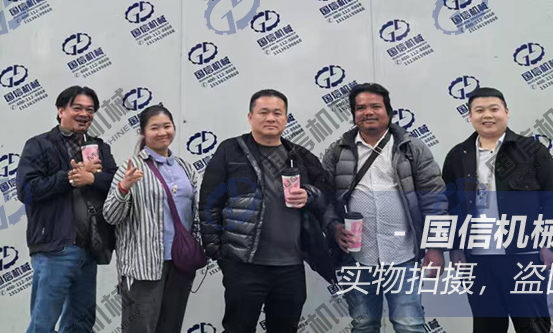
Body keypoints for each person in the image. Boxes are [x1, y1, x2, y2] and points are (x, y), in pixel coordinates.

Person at [198, 89, 333, 333]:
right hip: (244, 266)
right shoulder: (231, 151)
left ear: (286, 119)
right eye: (264, 112)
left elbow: (326, 195)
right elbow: (209, 202)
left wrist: (310, 195)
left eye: (277, 113)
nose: (271, 118)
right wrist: (218, 252)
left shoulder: (299, 156)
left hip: (290, 266)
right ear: (250, 117)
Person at [321, 82, 448, 333]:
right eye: (361, 108)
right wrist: (333, 226)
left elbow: (435, 199)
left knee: (409, 324)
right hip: (356, 258)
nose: (368, 112)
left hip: (403, 255)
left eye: (375, 106)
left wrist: (436, 248)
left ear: (388, 111)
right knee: (364, 324)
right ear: (354, 114)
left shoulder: (412, 148)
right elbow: (325, 199)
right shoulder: (337, 152)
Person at [441, 87, 553, 333]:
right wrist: (455, 248)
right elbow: (449, 206)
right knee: (487, 326)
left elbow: (552, 199)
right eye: (479, 110)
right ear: (470, 116)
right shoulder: (457, 156)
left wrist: (551, 244)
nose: (487, 115)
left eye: (494, 109)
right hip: (477, 259)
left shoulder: (532, 151)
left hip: (525, 255)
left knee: (532, 325)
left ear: (506, 112)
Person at [16, 86, 118, 333]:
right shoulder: (40, 145)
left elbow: (116, 183)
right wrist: (70, 178)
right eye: (78, 108)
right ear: (61, 111)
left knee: (81, 324)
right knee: (43, 323)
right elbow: (27, 190)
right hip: (56, 247)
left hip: (90, 248)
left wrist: (92, 178)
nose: (84, 114)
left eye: (90, 110)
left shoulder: (99, 148)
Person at [103, 105, 200, 333]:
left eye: (167, 126)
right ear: (143, 132)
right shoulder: (131, 167)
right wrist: (124, 188)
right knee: (140, 328)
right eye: (154, 128)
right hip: (143, 266)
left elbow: (196, 214)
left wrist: (196, 247)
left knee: (171, 327)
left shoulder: (186, 168)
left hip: (181, 262)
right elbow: (111, 215)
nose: (162, 132)